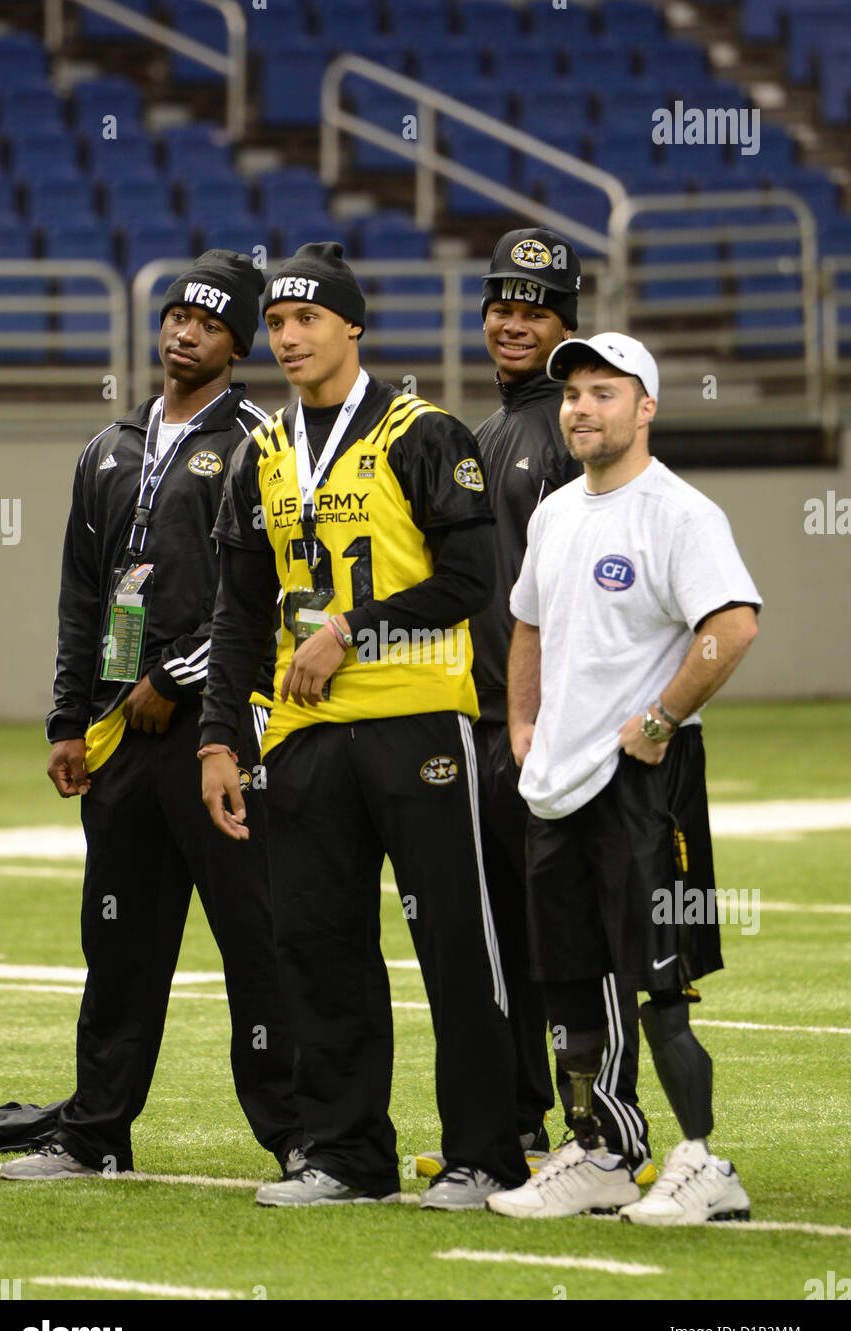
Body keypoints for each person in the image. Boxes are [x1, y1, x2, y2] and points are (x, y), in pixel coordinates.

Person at [199, 241, 529, 1209]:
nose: (289, 336)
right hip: (301, 738)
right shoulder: (261, 451)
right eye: (278, 323)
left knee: (457, 945)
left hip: (418, 723)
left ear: (353, 325)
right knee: (317, 944)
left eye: (308, 319)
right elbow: (237, 611)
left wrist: (353, 627)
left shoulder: (424, 434)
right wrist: (221, 737)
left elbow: (473, 583)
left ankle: (484, 1151)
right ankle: (345, 1152)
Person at [1, 250, 302, 1181]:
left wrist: (176, 679)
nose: (185, 332)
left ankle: (297, 1135)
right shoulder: (108, 447)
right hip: (119, 732)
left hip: (216, 729)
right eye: (178, 315)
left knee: (256, 935)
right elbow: (82, 595)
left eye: (209, 323)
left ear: (237, 343)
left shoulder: (260, 440)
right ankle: (94, 1133)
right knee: (118, 936)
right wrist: (65, 718)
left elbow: (261, 595)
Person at [488, 332, 761, 1224]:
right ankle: (606, 1151)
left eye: (605, 393)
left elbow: (731, 626)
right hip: (556, 785)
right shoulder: (557, 513)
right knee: (569, 984)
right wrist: (525, 725)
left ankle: (705, 1163)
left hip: (647, 784)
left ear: (646, 408)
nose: (581, 407)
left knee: (661, 987)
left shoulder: (680, 514)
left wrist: (658, 720)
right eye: (572, 393)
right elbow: (526, 625)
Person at [418, 229, 654, 1183]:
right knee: (504, 940)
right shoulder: (482, 433)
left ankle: (600, 1131)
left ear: (567, 321)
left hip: (560, 728)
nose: (512, 321)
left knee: (575, 937)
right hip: (483, 723)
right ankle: (517, 1131)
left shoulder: (572, 429)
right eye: (499, 305)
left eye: (534, 306)